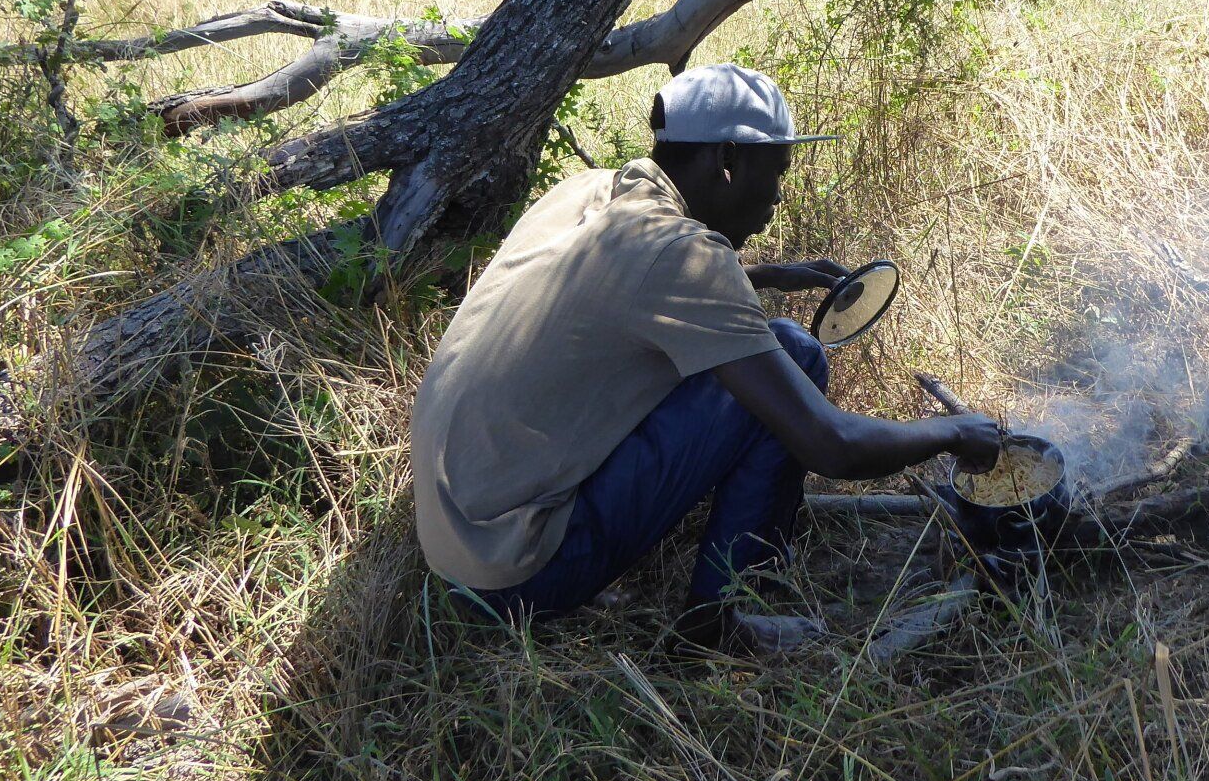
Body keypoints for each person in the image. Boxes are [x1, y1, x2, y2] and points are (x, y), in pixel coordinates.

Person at [410, 62, 1003, 651]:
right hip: (515, 577)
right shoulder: (681, 254)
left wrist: (763, 275)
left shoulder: (587, 192)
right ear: (727, 161)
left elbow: (621, 289)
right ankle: (716, 627)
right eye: (776, 172)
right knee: (796, 352)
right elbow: (832, 445)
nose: (777, 197)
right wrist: (953, 432)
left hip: (455, 543)